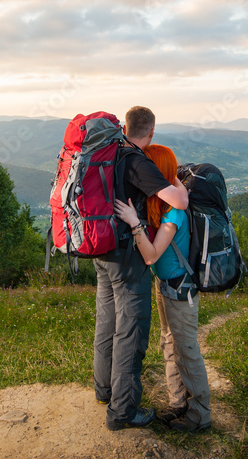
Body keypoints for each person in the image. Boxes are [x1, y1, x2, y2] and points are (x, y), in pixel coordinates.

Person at [94, 106, 189, 431]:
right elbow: (179, 202)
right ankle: (123, 412)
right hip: (127, 257)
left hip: (101, 250)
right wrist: (177, 181)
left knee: (106, 322)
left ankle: (104, 389)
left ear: (123, 127)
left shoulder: (110, 152)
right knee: (130, 332)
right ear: (150, 133)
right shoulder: (137, 161)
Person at [114, 144, 211, 433]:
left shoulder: (174, 214)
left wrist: (134, 224)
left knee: (186, 350)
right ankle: (178, 403)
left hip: (180, 291)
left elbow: (151, 255)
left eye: (150, 169)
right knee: (169, 344)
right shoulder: (167, 202)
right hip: (166, 287)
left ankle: (200, 415)